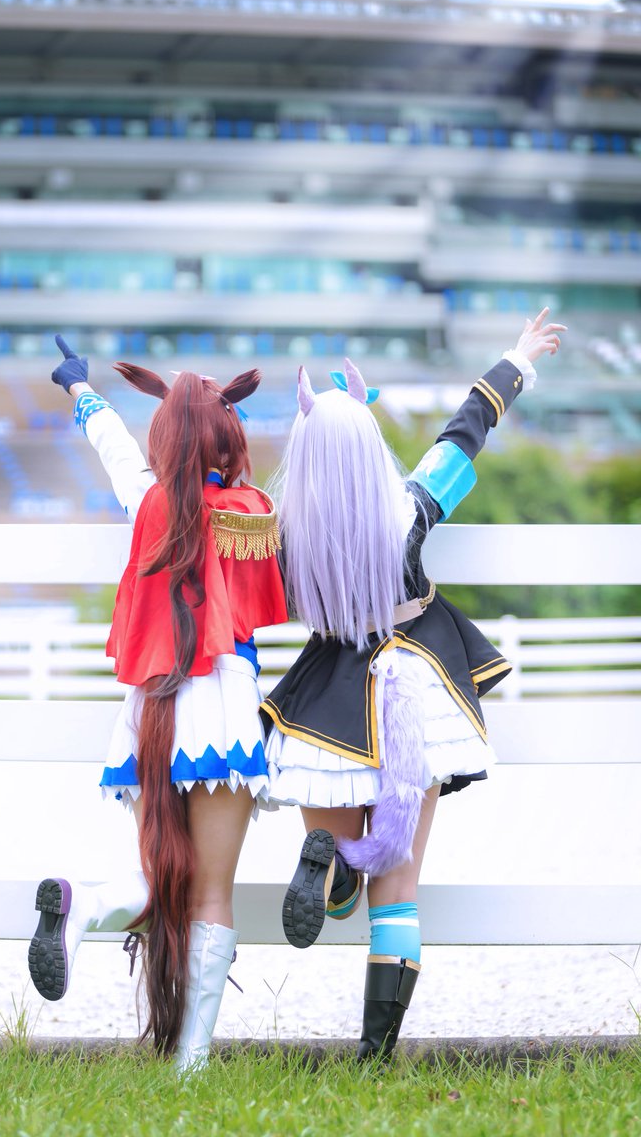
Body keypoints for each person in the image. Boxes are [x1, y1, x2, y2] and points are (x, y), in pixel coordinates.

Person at [261, 308, 565, 1063]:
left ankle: (330, 870)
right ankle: (374, 1051)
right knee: (397, 894)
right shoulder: (410, 505)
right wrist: (517, 360)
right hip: (415, 693)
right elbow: (466, 430)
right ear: (370, 442)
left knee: (333, 836)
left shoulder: (287, 532)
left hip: (329, 699)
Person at [28, 337, 288, 1072]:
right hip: (222, 705)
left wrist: (79, 390)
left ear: (165, 435)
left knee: (162, 869)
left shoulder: (146, 500)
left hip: (150, 707)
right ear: (226, 436)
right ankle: (191, 1063)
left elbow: (114, 447)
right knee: (209, 890)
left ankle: (85, 905)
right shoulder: (251, 513)